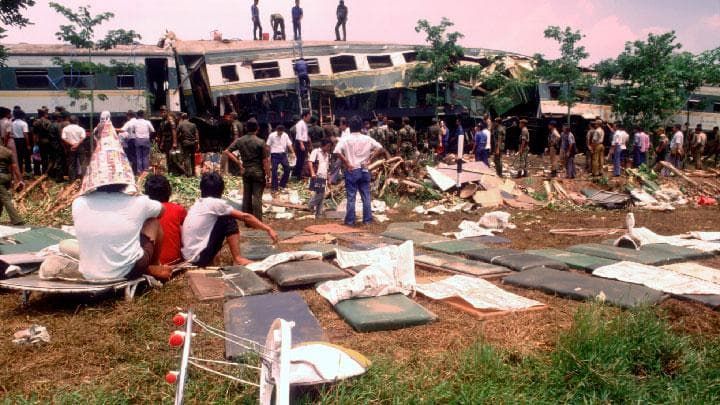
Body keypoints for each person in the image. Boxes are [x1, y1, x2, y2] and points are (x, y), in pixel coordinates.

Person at [72, 118, 169, 281]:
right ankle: (154, 265)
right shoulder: (139, 202)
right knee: (153, 222)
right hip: (127, 270)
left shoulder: (79, 203)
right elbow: (162, 210)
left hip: (89, 272)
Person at [182, 172, 278, 267]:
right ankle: (238, 258)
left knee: (220, 218)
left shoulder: (197, 204)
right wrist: (268, 229)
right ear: (221, 190)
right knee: (228, 218)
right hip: (198, 258)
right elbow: (246, 217)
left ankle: (214, 258)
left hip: (188, 256)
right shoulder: (215, 203)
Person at [334, 116, 389, 226]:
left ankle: (350, 221)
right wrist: (370, 159)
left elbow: (337, 151)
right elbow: (380, 147)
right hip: (364, 169)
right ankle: (367, 220)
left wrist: (347, 162)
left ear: (350, 126)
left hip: (352, 169)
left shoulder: (346, 139)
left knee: (351, 197)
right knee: (366, 196)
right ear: (361, 126)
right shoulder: (367, 138)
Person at [224, 118, 270, 220]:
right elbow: (265, 161)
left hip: (246, 171)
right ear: (257, 128)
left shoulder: (240, 140)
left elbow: (227, 151)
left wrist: (239, 163)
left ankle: (247, 220)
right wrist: (268, 175)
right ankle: (257, 220)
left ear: (246, 128)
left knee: (247, 196)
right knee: (257, 197)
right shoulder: (260, 142)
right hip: (258, 171)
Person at [145, 175, 187, 266]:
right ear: (169, 192)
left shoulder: (142, 212)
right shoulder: (179, 210)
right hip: (175, 264)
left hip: (149, 266)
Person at [0, 140, 24, 225]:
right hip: (6, 176)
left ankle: (17, 220)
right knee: (2, 197)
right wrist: (19, 180)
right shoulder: (8, 152)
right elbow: (14, 167)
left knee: (5, 198)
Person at [307, 139, 332, 218]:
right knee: (320, 194)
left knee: (321, 194)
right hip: (317, 174)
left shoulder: (327, 155)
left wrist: (328, 177)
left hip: (324, 175)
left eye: (329, 147)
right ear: (323, 145)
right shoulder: (316, 152)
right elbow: (310, 162)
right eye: (328, 146)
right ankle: (310, 204)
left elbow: (327, 167)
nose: (328, 148)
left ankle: (319, 214)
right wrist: (312, 173)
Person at [266, 124, 294, 192]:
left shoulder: (285, 135)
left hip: (283, 154)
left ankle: (282, 184)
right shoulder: (272, 135)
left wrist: (293, 152)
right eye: (279, 132)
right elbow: (267, 146)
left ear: (283, 131)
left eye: (281, 132)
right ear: (277, 130)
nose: (280, 133)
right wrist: (268, 155)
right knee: (274, 171)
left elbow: (289, 144)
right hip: (274, 155)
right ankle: (274, 187)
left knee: (287, 168)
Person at [61, 116, 87, 182]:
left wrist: (72, 144)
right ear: (77, 121)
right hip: (80, 147)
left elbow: (63, 138)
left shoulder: (65, 129)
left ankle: (72, 180)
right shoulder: (81, 129)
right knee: (82, 163)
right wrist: (77, 144)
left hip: (71, 147)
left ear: (69, 121)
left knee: (71, 164)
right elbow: (83, 137)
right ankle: (84, 179)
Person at [158, 106, 179, 174]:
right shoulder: (164, 120)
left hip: (171, 140)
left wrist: (175, 142)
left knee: (172, 157)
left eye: (164, 112)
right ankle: (170, 171)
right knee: (168, 156)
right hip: (166, 141)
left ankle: (175, 171)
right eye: (161, 112)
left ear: (167, 112)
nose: (162, 113)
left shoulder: (170, 119)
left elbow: (174, 131)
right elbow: (164, 133)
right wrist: (162, 143)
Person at [31, 108, 52, 175]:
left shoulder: (36, 122)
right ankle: (45, 172)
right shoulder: (49, 122)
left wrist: (34, 143)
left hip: (39, 141)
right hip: (47, 141)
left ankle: (37, 173)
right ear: (45, 114)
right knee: (45, 158)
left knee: (37, 157)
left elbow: (34, 134)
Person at [10, 110, 31, 176]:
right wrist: (28, 144)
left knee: (18, 157)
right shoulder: (24, 123)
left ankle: (20, 172)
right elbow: (25, 134)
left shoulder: (12, 123)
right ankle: (28, 172)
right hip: (23, 141)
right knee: (27, 157)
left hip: (15, 140)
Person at [292, 110, 311, 179]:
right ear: (304, 116)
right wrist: (301, 144)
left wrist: (308, 141)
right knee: (300, 159)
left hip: (304, 142)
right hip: (300, 142)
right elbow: (299, 135)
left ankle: (297, 174)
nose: (309, 118)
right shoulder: (300, 124)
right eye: (308, 117)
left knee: (302, 159)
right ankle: (297, 175)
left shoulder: (305, 124)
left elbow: (305, 134)